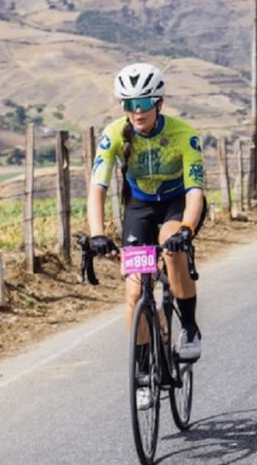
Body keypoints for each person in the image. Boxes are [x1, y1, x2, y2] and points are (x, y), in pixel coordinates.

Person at [87, 63, 207, 373]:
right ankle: (142, 369)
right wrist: (97, 233)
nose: (137, 111)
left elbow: (195, 191)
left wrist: (187, 228)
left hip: (177, 204)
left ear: (159, 102)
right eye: (129, 104)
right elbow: (97, 187)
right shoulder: (114, 133)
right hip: (140, 207)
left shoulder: (184, 134)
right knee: (135, 291)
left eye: (143, 103)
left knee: (172, 249)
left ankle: (190, 327)